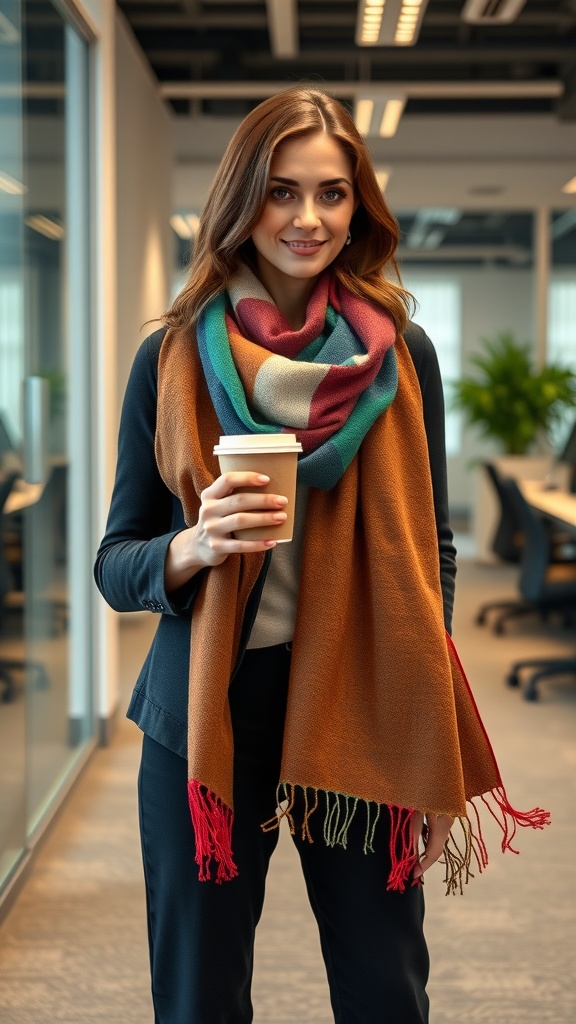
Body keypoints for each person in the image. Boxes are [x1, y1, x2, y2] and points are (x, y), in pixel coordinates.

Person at [95, 88, 549, 1024]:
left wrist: (424, 718)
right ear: (241, 201)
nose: (308, 219)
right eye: (282, 193)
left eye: (333, 194)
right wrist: (194, 544)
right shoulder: (174, 357)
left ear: (359, 208)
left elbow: (436, 549)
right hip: (208, 715)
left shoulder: (401, 355)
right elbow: (116, 561)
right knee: (198, 997)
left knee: (387, 991)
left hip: (364, 701)